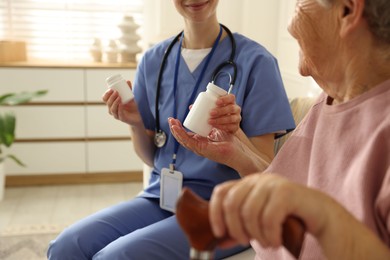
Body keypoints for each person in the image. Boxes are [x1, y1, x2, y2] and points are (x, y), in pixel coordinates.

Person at [47, 0, 295, 259]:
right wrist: (135, 124)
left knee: (115, 257)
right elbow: (152, 158)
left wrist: (235, 137)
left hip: (227, 208)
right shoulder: (153, 60)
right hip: (162, 197)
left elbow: (266, 169)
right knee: (66, 246)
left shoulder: (257, 61)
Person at [169, 0, 390, 258]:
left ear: (347, 10)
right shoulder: (329, 99)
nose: (290, 20)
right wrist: (240, 155)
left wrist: (322, 216)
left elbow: (307, 207)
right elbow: (292, 202)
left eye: (300, 2)